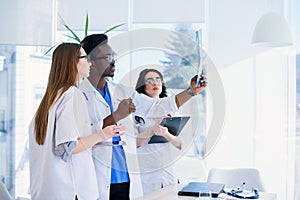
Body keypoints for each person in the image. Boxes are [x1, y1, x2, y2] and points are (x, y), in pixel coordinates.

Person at [79, 34, 207, 199]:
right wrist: (117, 115)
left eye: (113, 56)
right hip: (98, 174)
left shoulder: (121, 91)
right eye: (107, 57)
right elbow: (83, 136)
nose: (113, 61)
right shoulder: (79, 94)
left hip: (126, 176)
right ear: (91, 61)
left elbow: (157, 106)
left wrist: (191, 92)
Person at [28, 43, 123, 200]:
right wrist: (102, 135)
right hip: (71, 191)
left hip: (47, 191)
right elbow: (67, 147)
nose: (90, 63)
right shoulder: (71, 94)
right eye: (86, 58)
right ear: (73, 62)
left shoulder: (50, 99)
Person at [134, 68, 205, 195]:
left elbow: (181, 144)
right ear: (142, 86)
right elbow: (133, 143)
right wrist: (152, 130)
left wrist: (166, 134)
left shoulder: (173, 109)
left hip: (168, 170)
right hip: (146, 172)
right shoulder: (135, 110)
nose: (155, 83)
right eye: (150, 80)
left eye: (158, 80)